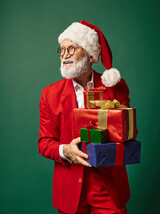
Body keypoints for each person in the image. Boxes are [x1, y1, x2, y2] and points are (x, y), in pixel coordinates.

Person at [38, 20, 130, 214]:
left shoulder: (116, 87)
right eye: (61, 50)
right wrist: (66, 151)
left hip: (108, 186)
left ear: (90, 55)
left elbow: (129, 132)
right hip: (71, 187)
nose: (64, 56)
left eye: (71, 49)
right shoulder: (49, 94)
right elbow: (44, 142)